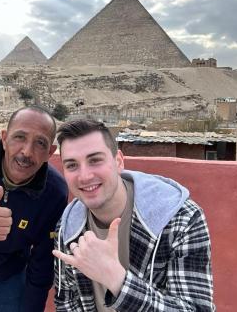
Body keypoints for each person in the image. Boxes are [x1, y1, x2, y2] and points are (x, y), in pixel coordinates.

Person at [52, 119, 215, 311]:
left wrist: (116, 279)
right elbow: (67, 302)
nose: (85, 176)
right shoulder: (68, 225)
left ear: (118, 161)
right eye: (72, 165)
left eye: (95, 160)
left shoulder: (181, 219)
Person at [0, 106, 68, 312]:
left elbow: (43, 263)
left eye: (40, 143)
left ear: (50, 153)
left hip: (7, 281)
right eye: (20, 137)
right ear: (4, 138)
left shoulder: (55, 192)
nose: (27, 152)